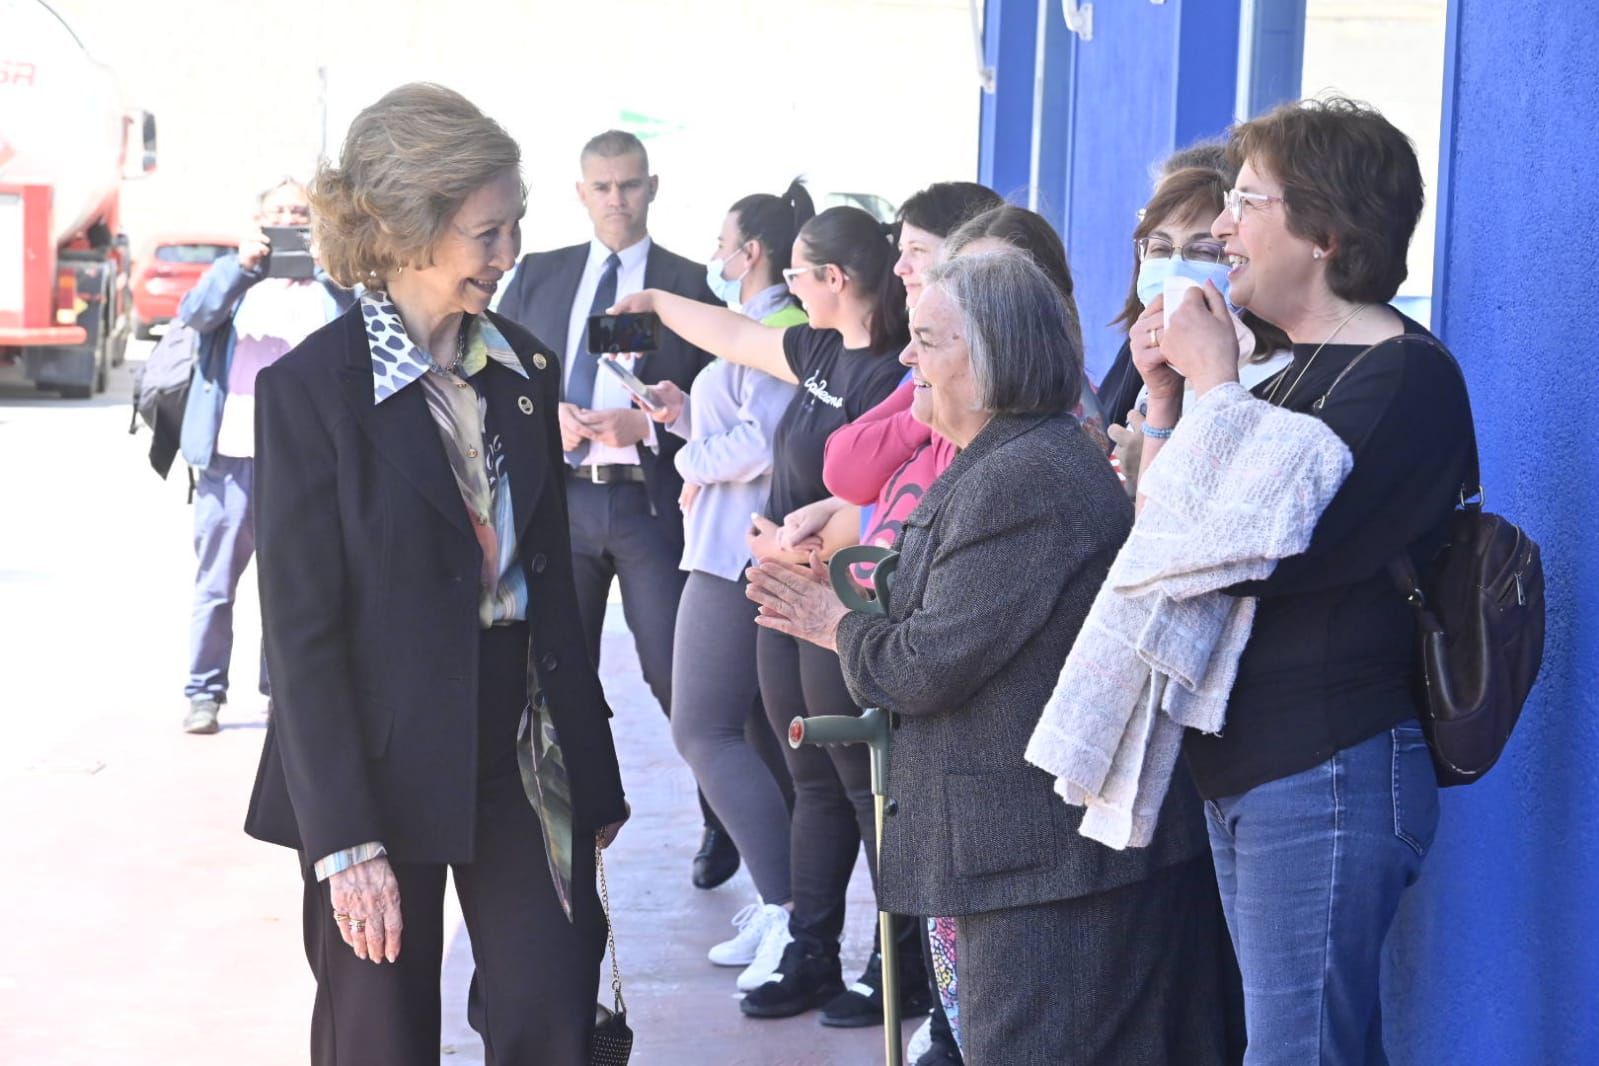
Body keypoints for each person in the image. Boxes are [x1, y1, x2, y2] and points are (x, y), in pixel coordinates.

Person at [747, 250, 1240, 1065]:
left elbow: (924, 665)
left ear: (995, 359)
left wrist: (835, 623)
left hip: (1047, 870)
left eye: (928, 342)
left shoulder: (1021, 476)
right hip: (1022, 863)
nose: (907, 360)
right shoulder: (1003, 461)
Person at [243, 83, 629, 1065]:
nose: (507, 255)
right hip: (372, 764)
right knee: (380, 1039)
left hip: (520, 752)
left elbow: (553, 597)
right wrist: (342, 838)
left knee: (554, 1009)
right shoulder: (309, 393)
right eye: (485, 233)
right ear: (408, 228)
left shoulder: (527, 372)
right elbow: (300, 631)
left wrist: (591, 776)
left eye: (515, 228)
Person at [1140, 96, 1473, 1063]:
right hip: (1250, 758)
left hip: (1327, 759)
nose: (1218, 228)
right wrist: (1167, 397)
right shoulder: (1276, 369)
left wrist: (1209, 388)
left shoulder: (1400, 376)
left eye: (1247, 202)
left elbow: (1248, 544)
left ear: (1326, 232)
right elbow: (1160, 537)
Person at [612, 205, 922, 1024]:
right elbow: (732, 335)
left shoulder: (892, 370)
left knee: (864, 785)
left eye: (797, 275)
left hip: (841, 593)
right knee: (810, 776)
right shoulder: (818, 349)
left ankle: (900, 967)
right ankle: (812, 951)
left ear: (835, 280)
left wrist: (803, 540)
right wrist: (652, 303)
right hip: (783, 585)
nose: (783, 288)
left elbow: (889, 488)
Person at [495, 130, 737, 890]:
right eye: (601, 186)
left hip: (645, 505)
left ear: (652, 187)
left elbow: (718, 392)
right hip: (560, 501)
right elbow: (491, 367)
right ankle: (557, 819)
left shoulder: (685, 282)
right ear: (579, 192)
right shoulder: (539, 274)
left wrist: (647, 425)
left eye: (628, 184)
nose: (615, 199)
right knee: (556, 669)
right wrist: (546, 418)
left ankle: (720, 821)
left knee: (677, 673)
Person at [637, 180, 813, 991]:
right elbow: (732, 430)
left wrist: (682, 457)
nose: (713, 253)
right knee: (738, 733)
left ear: (752, 253)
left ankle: (789, 913)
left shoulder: (776, 328)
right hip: (723, 546)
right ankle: (784, 909)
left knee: (699, 728)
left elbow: (761, 444)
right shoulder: (758, 330)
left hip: (736, 555)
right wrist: (681, 419)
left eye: (722, 240)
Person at [175, 178, 354, 734]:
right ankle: (204, 693)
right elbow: (195, 314)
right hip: (231, 458)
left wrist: (330, 267)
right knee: (215, 585)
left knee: (292, 585)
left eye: (300, 213)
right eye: (278, 211)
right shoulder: (238, 280)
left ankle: (280, 691)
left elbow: (364, 330)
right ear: (259, 221)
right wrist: (240, 265)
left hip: (302, 462)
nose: (289, 220)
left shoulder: (332, 287)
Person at [1102, 167, 1293, 496]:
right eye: (1160, 249)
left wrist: (1148, 464)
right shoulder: (1155, 365)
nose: (1175, 268)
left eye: (1203, 251)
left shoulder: (1276, 376)